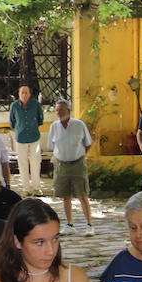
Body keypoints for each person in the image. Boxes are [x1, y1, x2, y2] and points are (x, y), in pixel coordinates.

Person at [48, 99, 94, 233]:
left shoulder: (79, 125)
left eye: (61, 110)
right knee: (65, 195)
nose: (59, 113)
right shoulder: (54, 126)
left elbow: (88, 143)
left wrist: (80, 155)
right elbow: (52, 146)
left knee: (82, 194)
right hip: (61, 165)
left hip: (78, 164)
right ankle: (69, 224)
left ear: (68, 110)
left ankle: (89, 225)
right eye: (57, 110)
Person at [9, 85, 46, 195]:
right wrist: (19, 129)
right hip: (20, 138)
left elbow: (40, 119)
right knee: (22, 163)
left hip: (34, 137)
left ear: (30, 94)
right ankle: (26, 188)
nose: (24, 95)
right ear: (19, 95)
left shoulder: (35, 104)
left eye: (26, 93)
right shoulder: (14, 106)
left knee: (35, 162)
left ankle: (36, 187)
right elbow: (12, 121)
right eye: (22, 93)